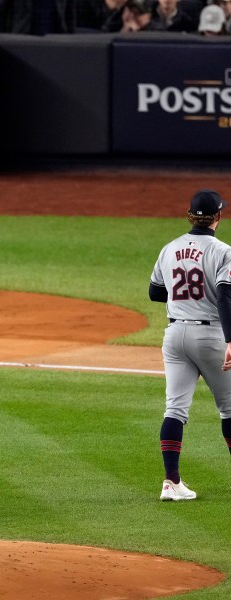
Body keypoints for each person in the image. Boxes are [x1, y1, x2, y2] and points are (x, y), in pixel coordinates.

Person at [149, 189, 231, 501]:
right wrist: (230, 339)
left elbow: (156, 292)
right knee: (229, 408)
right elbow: (225, 295)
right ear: (218, 217)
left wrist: (184, 297)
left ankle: (171, 482)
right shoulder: (224, 252)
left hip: (174, 337)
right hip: (210, 336)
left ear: (190, 216)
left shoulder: (169, 249)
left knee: (175, 409)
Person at [0, 0, 75, 34]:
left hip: (57, 39)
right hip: (21, 40)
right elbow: (0, 9)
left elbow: (69, 11)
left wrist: (72, 39)